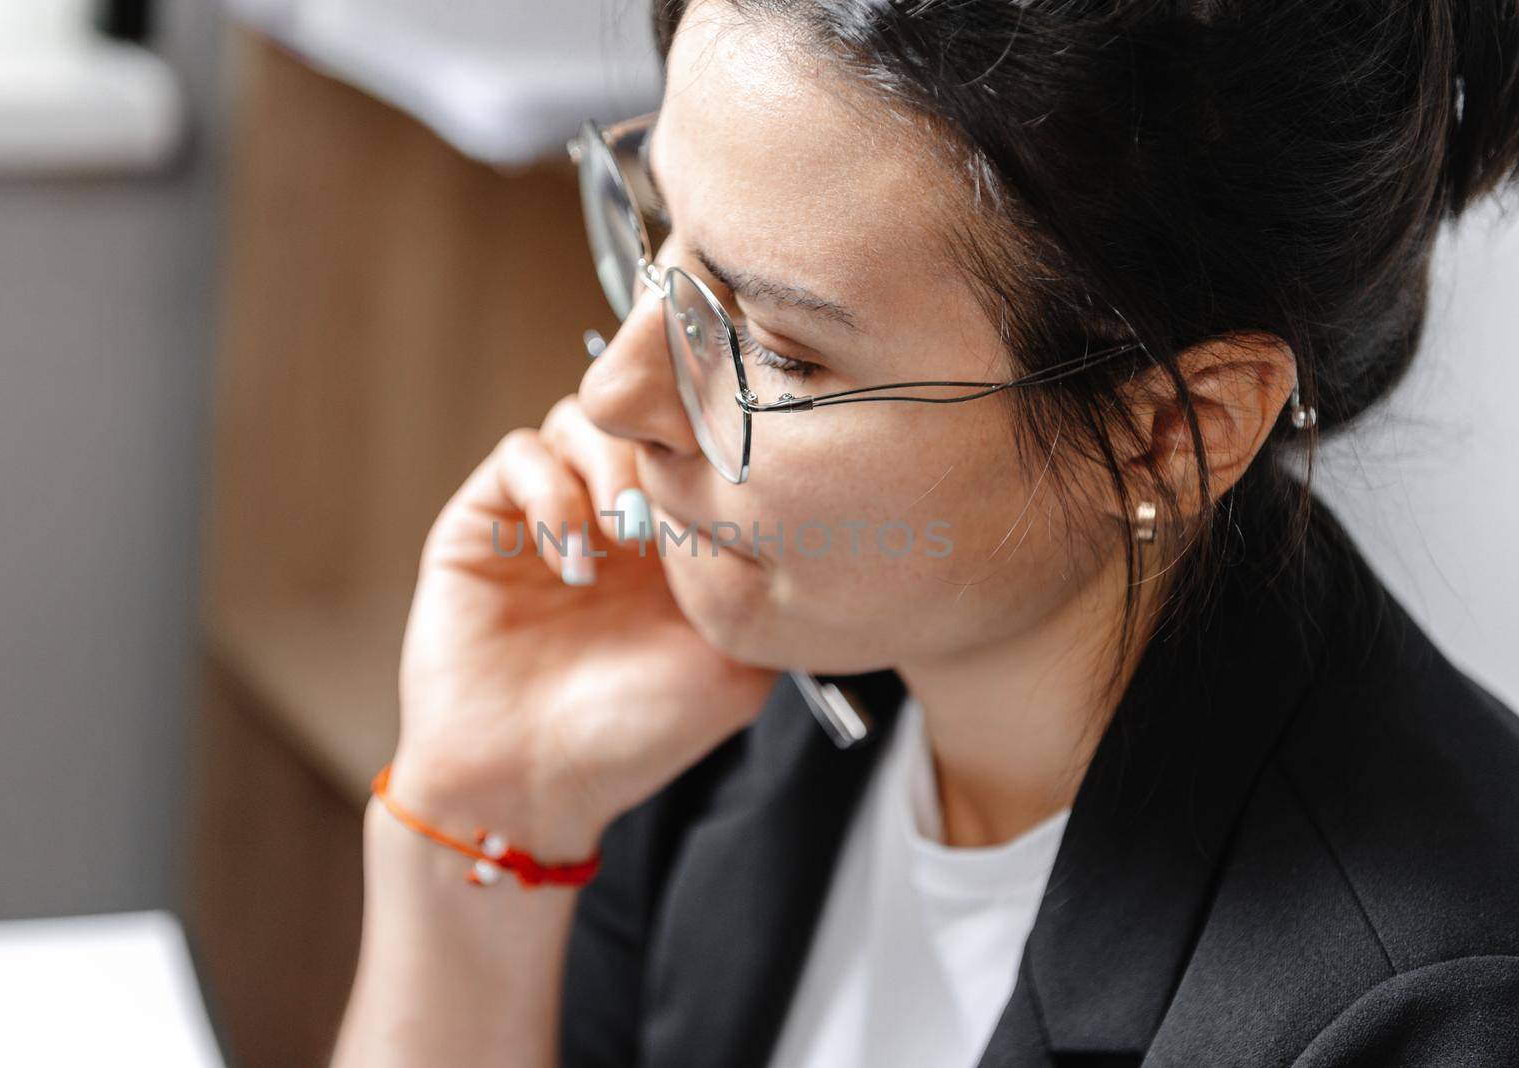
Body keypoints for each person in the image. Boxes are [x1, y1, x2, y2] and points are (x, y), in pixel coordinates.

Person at [331, 0, 1519, 1064]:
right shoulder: (724, 684)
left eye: (783, 352)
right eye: (657, 236)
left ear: (1176, 432)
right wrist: (488, 825)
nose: (616, 399)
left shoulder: (1426, 1012)